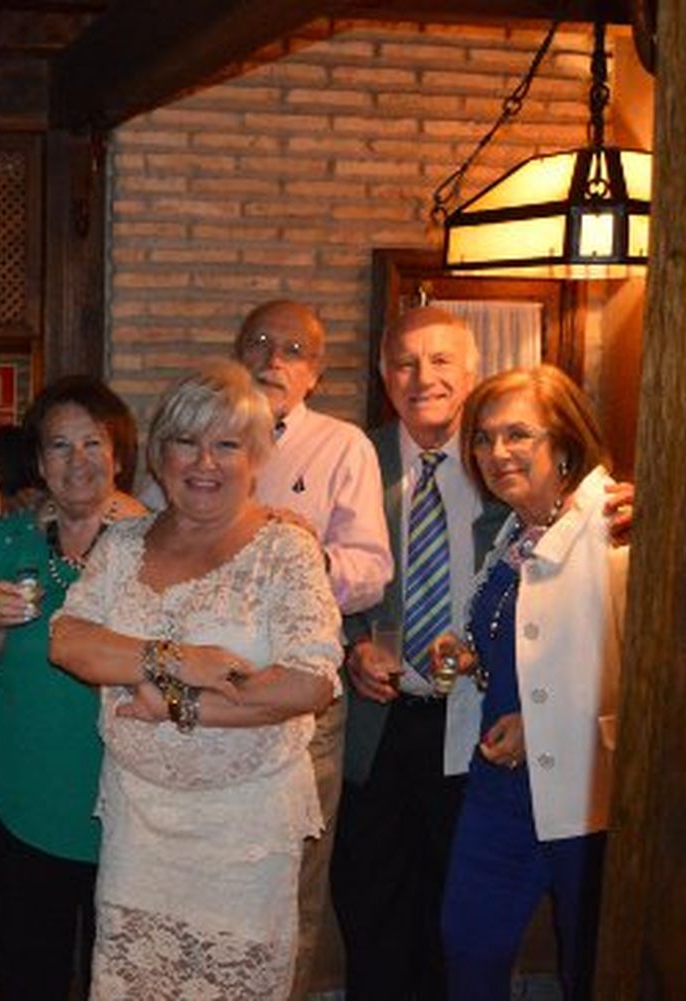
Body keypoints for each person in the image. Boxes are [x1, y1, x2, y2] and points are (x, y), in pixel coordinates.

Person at [50, 359, 343, 998]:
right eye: (186, 440)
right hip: (141, 828)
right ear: (159, 455)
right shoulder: (123, 542)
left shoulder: (285, 549)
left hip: (243, 833)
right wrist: (178, 659)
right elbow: (70, 642)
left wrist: (177, 705)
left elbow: (307, 685)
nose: (204, 462)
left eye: (227, 444)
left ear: (257, 456)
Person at [0, 375, 148, 1000]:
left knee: (115, 975)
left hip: (126, 799)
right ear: (39, 461)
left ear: (118, 456)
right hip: (24, 793)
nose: (78, 461)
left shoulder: (153, 545)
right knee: (29, 971)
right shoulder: (11, 538)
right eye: (60, 446)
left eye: (94, 443)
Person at [330, 306, 508, 1000]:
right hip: (377, 722)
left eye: (440, 361)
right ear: (383, 374)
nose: (422, 377)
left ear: (470, 372)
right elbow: (311, 573)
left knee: (456, 910)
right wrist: (352, 645)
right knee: (371, 906)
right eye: (405, 362)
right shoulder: (355, 459)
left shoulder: (500, 458)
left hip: (474, 718)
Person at [435, 365, 627, 1000]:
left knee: (591, 966)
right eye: (484, 439)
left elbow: (639, 675)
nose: (496, 453)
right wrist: (468, 656)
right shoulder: (515, 531)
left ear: (566, 441)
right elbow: (528, 640)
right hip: (498, 786)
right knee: (468, 946)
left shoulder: (617, 527)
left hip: (583, 789)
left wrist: (537, 724)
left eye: (518, 434)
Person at [231, 300, 393, 998]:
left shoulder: (342, 445)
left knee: (295, 879)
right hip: (219, 691)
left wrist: (301, 557)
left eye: (294, 349)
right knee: (227, 873)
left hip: (305, 699)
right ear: (238, 354)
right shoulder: (205, 429)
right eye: (260, 343)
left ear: (315, 372)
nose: (274, 357)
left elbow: (370, 570)